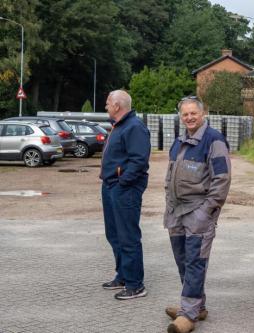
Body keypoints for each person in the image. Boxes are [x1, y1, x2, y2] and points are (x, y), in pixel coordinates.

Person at [163, 96, 231, 333]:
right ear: (180, 116)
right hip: (176, 213)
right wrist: (168, 203)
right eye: (185, 114)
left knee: (195, 261)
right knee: (182, 259)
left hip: (198, 212)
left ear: (203, 114)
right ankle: (194, 305)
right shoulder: (180, 140)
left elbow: (222, 180)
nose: (189, 118)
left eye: (193, 113)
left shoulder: (214, 140)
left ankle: (189, 314)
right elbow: (169, 175)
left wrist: (207, 211)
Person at [100, 90, 151, 300]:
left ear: (117, 106)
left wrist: (123, 182)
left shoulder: (134, 127)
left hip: (124, 188)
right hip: (111, 185)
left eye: (107, 104)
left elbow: (139, 161)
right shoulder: (120, 125)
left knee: (128, 236)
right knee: (114, 234)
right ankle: (122, 275)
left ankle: (135, 284)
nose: (106, 107)